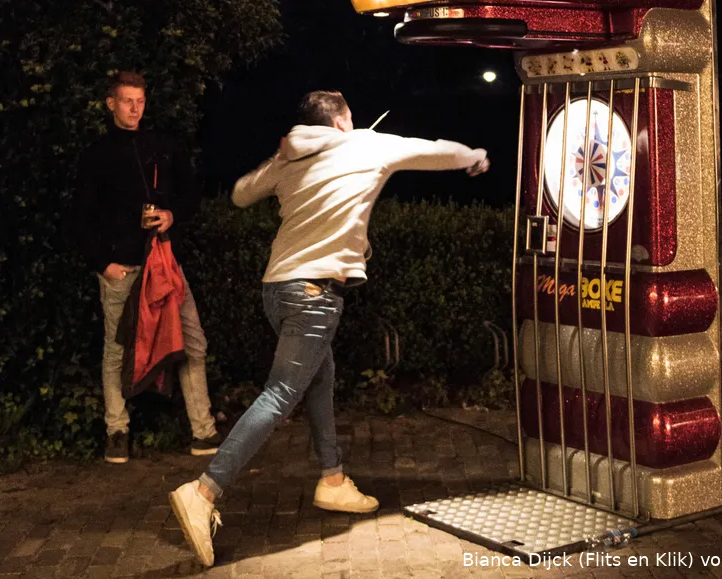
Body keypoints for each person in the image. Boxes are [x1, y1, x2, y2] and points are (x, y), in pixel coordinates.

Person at [168, 90, 489, 567]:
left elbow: (240, 194)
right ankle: (204, 491)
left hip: (277, 289)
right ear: (340, 121)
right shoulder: (366, 144)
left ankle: (333, 479)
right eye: (350, 117)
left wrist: (278, 159)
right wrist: (475, 156)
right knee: (280, 393)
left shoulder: (289, 157)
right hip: (314, 295)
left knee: (321, 377)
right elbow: (436, 151)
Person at [68, 71, 221, 463]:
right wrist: (103, 263)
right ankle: (116, 432)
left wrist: (172, 215)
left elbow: (191, 194)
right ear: (111, 104)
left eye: (139, 101)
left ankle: (203, 431)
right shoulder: (97, 154)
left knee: (192, 342)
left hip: (164, 263)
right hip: (122, 268)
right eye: (127, 101)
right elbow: (80, 217)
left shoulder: (163, 145)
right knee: (117, 351)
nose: (135, 109)